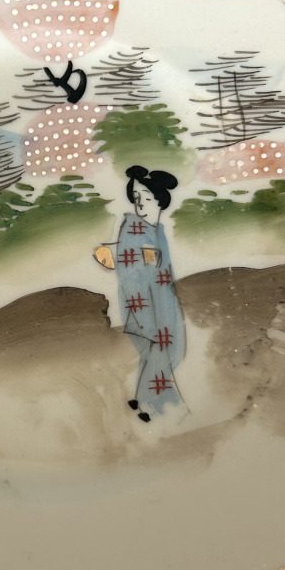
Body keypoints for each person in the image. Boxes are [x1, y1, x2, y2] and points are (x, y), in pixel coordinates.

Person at [94, 166, 186, 421]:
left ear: (159, 199)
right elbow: (133, 272)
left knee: (171, 352)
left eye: (145, 197)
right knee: (163, 351)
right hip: (145, 303)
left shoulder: (156, 230)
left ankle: (149, 402)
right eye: (136, 197)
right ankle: (154, 405)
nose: (139, 203)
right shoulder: (134, 229)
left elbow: (159, 268)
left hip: (163, 301)